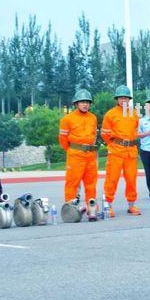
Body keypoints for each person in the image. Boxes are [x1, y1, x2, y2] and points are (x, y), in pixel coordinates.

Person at [101, 85, 150, 217]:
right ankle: (108, 205)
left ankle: (131, 205)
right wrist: (115, 144)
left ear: (129, 99)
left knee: (131, 179)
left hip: (131, 151)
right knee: (112, 179)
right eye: (121, 98)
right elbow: (105, 134)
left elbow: (136, 132)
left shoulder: (134, 114)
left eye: (126, 98)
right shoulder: (110, 114)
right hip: (116, 151)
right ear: (117, 99)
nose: (123, 100)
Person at [58, 89, 99, 219]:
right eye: (82, 102)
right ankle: (71, 209)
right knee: (72, 183)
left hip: (90, 155)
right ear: (76, 103)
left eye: (87, 102)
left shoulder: (93, 118)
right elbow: (63, 140)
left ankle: (91, 208)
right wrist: (73, 150)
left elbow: (94, 136)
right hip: (75, 155)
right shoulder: (67, 119)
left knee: (91, 183)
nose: (85, 104)